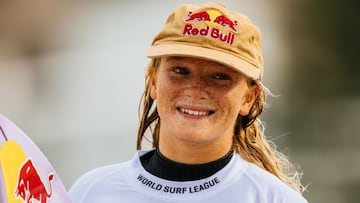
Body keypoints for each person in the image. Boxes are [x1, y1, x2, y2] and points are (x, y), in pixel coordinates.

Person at [69, 2, 308, 202]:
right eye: (181, 70)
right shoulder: (91, 192)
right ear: (153, 81)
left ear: (248, 97)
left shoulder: (274, 199)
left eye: (220, 76)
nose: (195, 89)